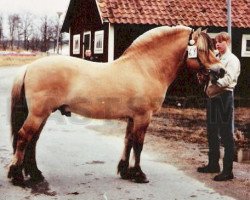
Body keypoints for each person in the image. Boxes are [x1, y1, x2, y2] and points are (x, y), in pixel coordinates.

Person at [196, 32, 241, 181]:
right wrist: (204, 78)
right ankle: (213, 164)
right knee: (212, 132)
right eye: (216, 42)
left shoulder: (232, 60)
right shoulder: (216, 57)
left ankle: (228, 171)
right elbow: (210, 75)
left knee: (227, 134)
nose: (217, 44)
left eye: (220, 42)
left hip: (224, 97)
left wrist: (215, 82)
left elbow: (229, 78)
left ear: (227, 42)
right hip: (213, 97)